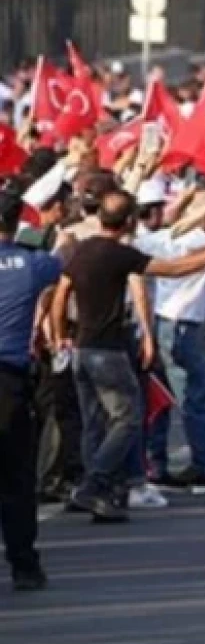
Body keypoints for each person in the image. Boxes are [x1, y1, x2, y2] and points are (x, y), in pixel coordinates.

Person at [50, 188, 205, 522]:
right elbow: (174, 269)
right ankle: (94, 484)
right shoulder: (120, 254)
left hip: (82, 349)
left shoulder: (83, 250)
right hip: (108, 351)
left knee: (95, 422)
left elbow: (61, 292)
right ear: (128, 221)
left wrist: (60, 334)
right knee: (129, 419)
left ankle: (101, 493)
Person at [0, 191, 62, 591]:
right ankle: (24, 565)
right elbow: (62, 260)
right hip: (9, 381)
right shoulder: (35, 263)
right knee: (16, 478)